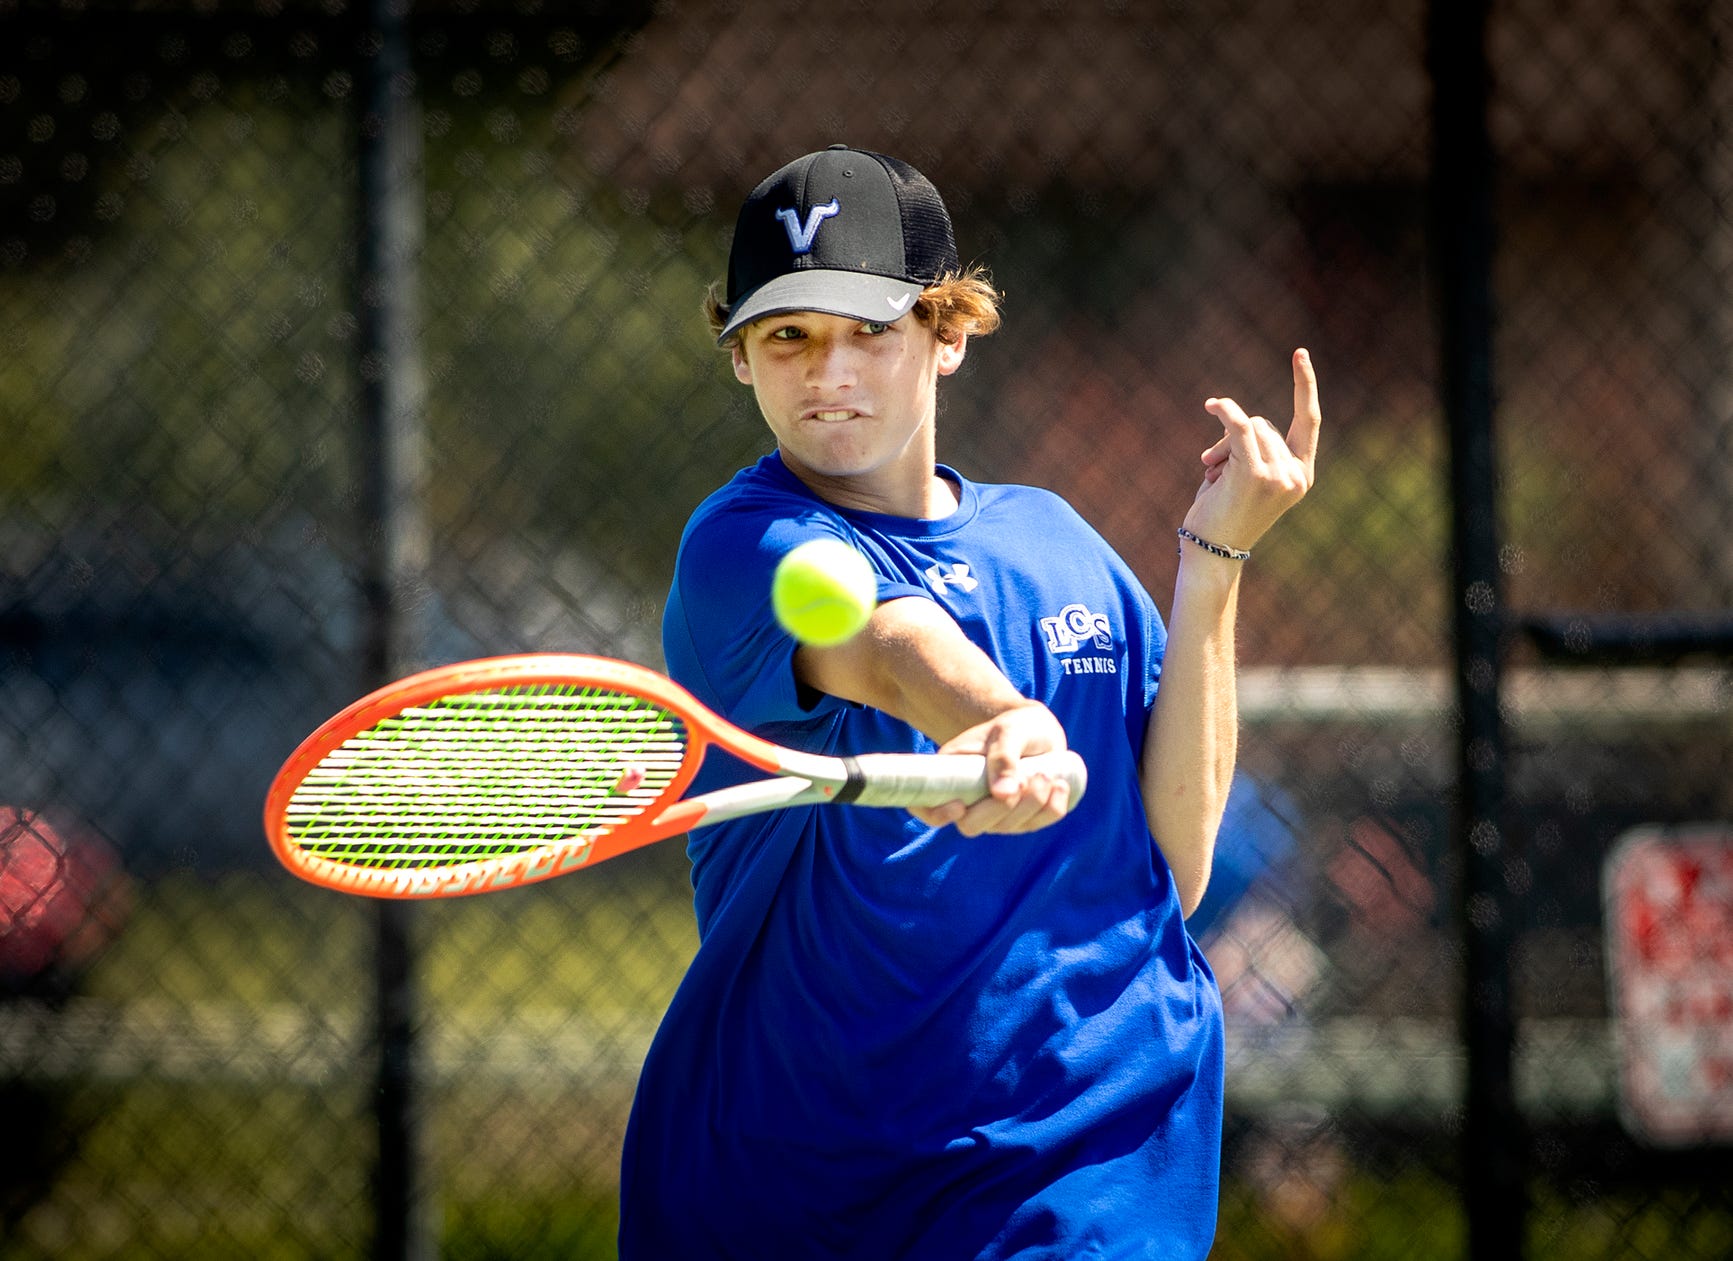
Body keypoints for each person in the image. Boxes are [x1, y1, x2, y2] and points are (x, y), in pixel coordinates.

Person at [619, 144, 1321, 1260]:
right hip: (802, 1176)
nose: (826, 372)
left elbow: (1169, 868)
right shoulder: (739, 546)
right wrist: (1002, 719)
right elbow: (888, 645)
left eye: (868, 331)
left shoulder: (1056, 541)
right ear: (740, 358)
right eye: (786, 336)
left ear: (947, 334)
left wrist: (1213, 557)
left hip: (1085, 1148)